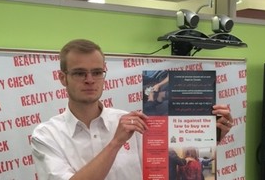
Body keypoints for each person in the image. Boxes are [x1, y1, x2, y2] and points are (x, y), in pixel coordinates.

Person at [31, 39, 233, 180]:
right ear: (62, 78)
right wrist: (115, 143)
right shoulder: (47, 135)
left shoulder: (132, 122)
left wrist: (210, 135)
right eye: (79, 73)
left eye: (97, 72)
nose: (90, 80)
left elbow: (170, 166)